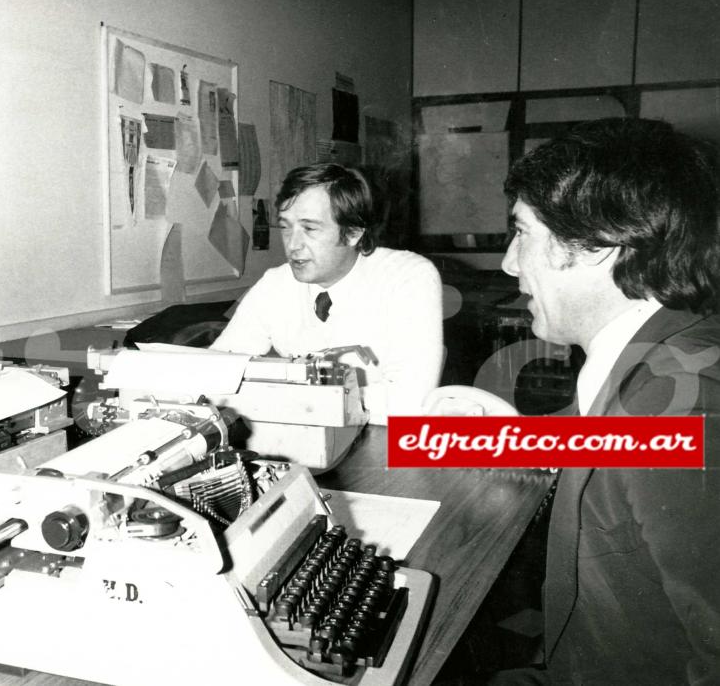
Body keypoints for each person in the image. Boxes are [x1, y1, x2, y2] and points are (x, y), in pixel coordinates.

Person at [498, 118, 720, 684]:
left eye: (522, 232)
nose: (508, 263)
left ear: (595, 246)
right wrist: (456, 437)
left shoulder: (680, 408)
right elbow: (600, 439)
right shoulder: (658, 353)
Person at [210, 163, 443, 422]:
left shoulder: (407, 276)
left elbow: (409, 402)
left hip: (382, 442)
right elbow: (216, 370)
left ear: (353, 233)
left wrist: (286, 399)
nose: (293, 245)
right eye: (286, 227)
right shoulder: (276, 283)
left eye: (310, 229)